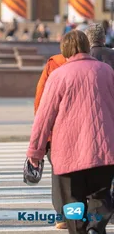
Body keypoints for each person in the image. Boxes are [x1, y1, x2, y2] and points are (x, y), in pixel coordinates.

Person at [27, 30, 114, 234]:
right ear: (86, 46)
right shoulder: (106, 71)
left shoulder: (58, 75)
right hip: (103, 147)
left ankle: (80, 230)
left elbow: (44, 116)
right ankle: (95, 228)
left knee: (73, 198)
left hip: (68, 150)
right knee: (100, 196)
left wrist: (35, 151)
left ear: (64, 50)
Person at [34, 52, 67, 229]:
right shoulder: (96, 66)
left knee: (60, 172)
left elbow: (41, 102)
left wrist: (42, 136)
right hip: (85, 128)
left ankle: (62, 215)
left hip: (57, 131)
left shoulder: (54, 65)